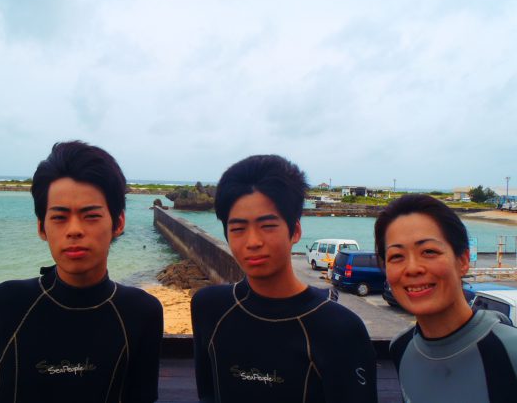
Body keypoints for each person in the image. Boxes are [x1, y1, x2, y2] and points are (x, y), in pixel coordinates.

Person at [0, 141, 163, 403]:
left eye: (91, 216)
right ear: (41, 228)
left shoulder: (142, 312)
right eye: (59, 217)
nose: (74, 230)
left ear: (118, 223)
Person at [191, 155, 377, 403]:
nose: (253, 242)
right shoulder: (209, 307)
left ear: (295, 231)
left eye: (267, 226)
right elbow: (207, 395)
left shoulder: (341, 329)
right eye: (238, 229)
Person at [374, 193, 517, 403]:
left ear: (463, 260)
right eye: (396, 256)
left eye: (428, 251)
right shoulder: (401, 348)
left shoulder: (509, 351)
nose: (412, 268)